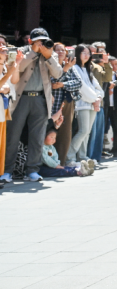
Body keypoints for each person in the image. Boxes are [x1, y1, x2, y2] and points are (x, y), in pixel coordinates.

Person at [4, 28, 62, 182]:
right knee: (13, 136)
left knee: (37, 137)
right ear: (30, 41)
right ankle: (7, 171)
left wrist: (48, 56)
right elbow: (19, 67)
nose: (42, 43)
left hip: (40, 99)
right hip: (20, 98)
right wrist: (33, 53)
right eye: (39, 40)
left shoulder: (51, 53)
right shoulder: (21, 51)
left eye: (44, 40)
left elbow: (58, 73)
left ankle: (32, 171)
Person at [69, 44, 102, 163]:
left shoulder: (88, 69)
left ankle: (82, 156)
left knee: (87, 132)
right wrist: (95, 99)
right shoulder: (74, 68)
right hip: (82, 103)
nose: (87, 55)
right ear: (78, 54)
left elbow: (98, 87)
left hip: (93, 103)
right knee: (83, 130)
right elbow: (81, 86)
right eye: (84, 53)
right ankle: (70, 156)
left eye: (88, 53)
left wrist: (98, 97)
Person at [0, 40, 22, 187]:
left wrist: (17, 64)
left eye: (5, 48)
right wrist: (8, 74)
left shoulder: (5, 66)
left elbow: (14, 80)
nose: (4, 50)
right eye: (1, 48)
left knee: (1, 143)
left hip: (4, 106)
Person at [88, 43, 112, 162]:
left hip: (100, 103)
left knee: (98, 133)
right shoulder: (81, 66)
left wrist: (106, 63)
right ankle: (87, 156)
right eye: (89, 52)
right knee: (89, 134)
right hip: (87, 104)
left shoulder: (98, 67)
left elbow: (108, 78)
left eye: (94, 53)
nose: (92, 55)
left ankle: (95, 157)